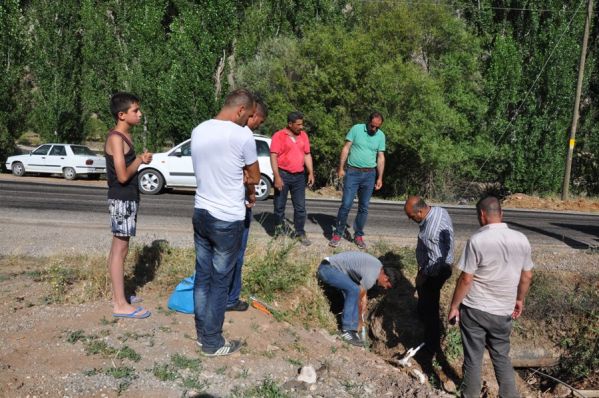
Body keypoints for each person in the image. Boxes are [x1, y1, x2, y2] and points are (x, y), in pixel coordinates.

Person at [191, 88, 260, 356]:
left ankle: (202, 333)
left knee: (202, 278)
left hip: (201, 212)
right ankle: (212, 342)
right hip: (227, 219)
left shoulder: (199, 129)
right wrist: (245, 176)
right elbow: (254, 176)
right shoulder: (242, 134)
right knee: (220, 282)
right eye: (250, 115)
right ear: (241, 110)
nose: (250, 120)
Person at [448, 196, 534, 398]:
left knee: (473, 358)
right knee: (501, 357)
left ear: (481, 215)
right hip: (503, 311)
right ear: (501, 213)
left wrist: (454, 306)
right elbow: (527, 275)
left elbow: (466, 279)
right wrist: (519, 300)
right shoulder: (521, 239)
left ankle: (471, 395)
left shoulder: (477, 240)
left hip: (475, 309)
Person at [104, 92, 153, 319]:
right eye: (136, 110)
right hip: (122, 197)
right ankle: (120, 305)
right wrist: (139, 161)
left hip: (127, 197)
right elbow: (122, 175)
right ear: (122, 115)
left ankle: (119, 296)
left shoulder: (125, 137)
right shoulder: (116, 138)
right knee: (120, 251)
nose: (139, 114)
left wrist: (138, 160)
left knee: (119, 249)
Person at [226, 99, 268, 312]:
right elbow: (252, 176)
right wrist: (251, 194)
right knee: (236, 253)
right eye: (258, 122)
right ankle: (231, 299)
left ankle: (217, 296)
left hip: (217, 205)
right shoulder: (244, 136)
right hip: (237, 205)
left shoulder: (220, 132)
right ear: (251, 114)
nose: (256, 126)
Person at [404, 196, 454, 355]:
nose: (411, 220)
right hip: (440, 263)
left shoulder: (431, 232)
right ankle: (425, 323)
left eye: (412, 217)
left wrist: (423, 275)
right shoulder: (439, 211)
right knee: (426, 299)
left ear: (420, 211)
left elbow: (435, 261)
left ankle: (431, 344)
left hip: (437, 270)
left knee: (429, 305)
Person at [317, 251, 400, 347]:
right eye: (387, 286)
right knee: (353, 290)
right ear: (385, 277)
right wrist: (359, 320)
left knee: (354, 290)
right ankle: (347, 330)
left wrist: (364, 302)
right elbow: (358, 298)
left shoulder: (377, 267)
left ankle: (351, 329)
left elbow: (362, 294)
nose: (385, 288)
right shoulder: (371, 277)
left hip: (334, 269)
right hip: (327, 269)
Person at [329, 112, 386, 249]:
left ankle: (358, 235)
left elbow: (381, 157)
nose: (374, 129)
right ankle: (338, 233)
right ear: (368, 122)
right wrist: (341, 168)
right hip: (353, 172)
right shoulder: (356, 129)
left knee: (364, 207)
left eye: (377, 127)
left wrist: (380, 177)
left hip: (369, 174)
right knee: (346, 204)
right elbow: (346, 148)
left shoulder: (381, 135)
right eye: (372, 126)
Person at [270, 111, 314, 246]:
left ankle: (299, 232)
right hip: (283, 175)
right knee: (279, 207)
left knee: (300, 208)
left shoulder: (303, 136)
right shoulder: (279, 136)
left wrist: (311, 172)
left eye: (302, 124)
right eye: (298, 124)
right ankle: (278, 231)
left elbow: (307, 154)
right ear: (290, 124)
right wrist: (277, 176)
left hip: (299, 177)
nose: (301, 127)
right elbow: (273, 156)